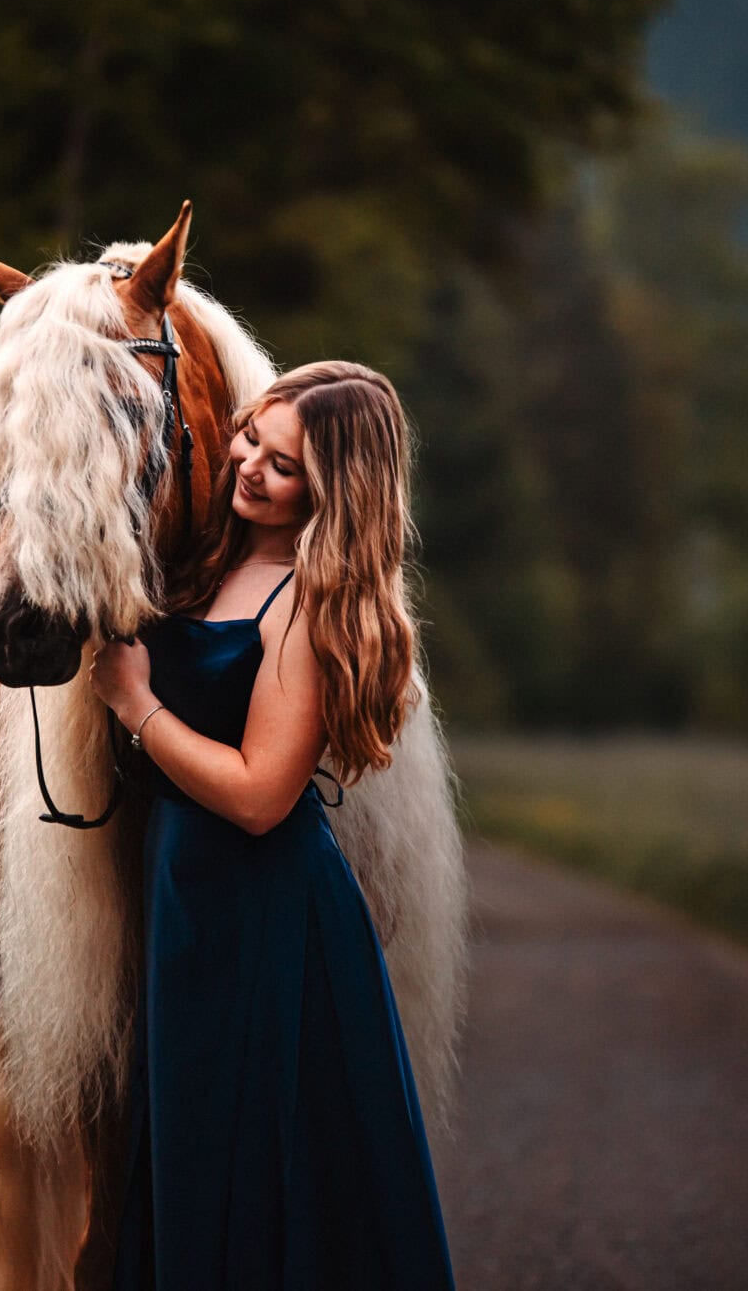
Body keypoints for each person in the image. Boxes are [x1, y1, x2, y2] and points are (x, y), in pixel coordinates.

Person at [90, 360, 458, 1291]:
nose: (248, 464)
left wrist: (137, 707)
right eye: (251, 435)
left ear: (332, 490)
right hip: (193, 907)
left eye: (283, 464)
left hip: (265, 920)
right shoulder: (214, 558)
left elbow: (261, 794)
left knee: (254, 1163)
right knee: (194, 1147)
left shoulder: (304, 601)